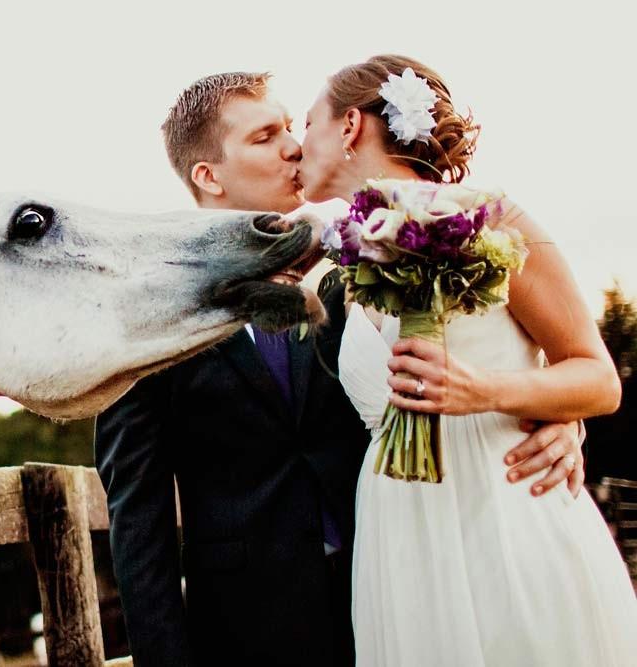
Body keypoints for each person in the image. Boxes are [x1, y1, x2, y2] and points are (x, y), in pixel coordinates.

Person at [96, 71, 588, 667]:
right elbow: (138, 515)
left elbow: (475, 359)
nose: (293, 147)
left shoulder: (364, 265)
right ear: (208, 175)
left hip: (394, 593)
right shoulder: (147, 317)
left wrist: (558, 416)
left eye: (290, 128)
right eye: (264, 137)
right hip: (249, 630)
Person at [297, 54, 637, 665]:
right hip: (399, 530)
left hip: (504, 508)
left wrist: (491, 392)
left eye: (307, 123)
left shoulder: (494, 219)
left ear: (350, 126)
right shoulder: (345, 266)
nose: (298, 147)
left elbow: (598, 377)